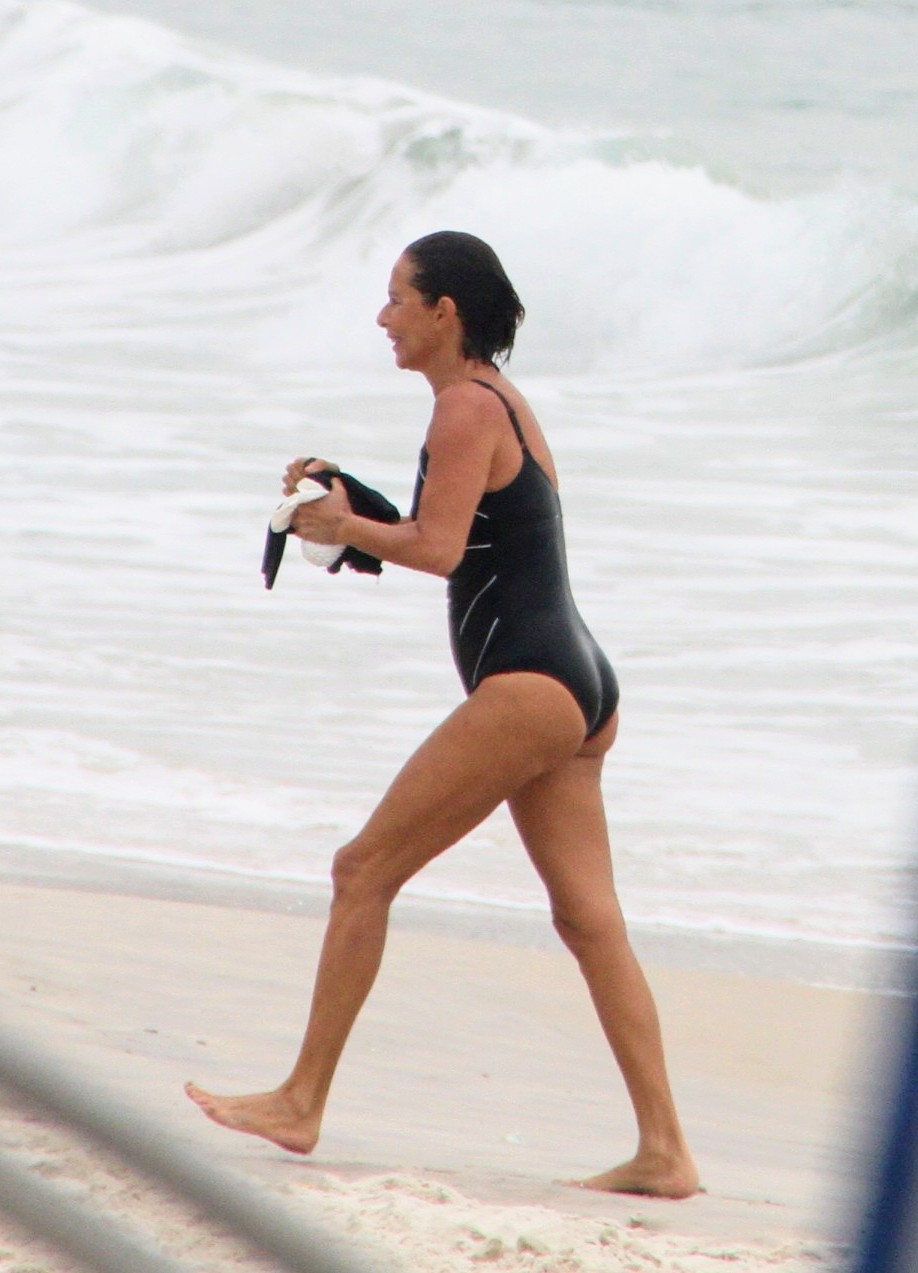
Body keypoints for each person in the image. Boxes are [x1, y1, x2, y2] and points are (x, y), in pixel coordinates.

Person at [186, 231, 699, 1198]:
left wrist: (340, 527)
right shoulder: (496, 402)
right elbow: (467, 533)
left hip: (530, 684)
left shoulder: (464, 407)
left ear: (443, 313)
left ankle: (301, 1100)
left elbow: (439, 547)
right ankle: (666, 1149)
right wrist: (358, 503)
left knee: (362, 868)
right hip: (579, 683)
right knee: (590, 919)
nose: (384, 318)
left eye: (396, 299)